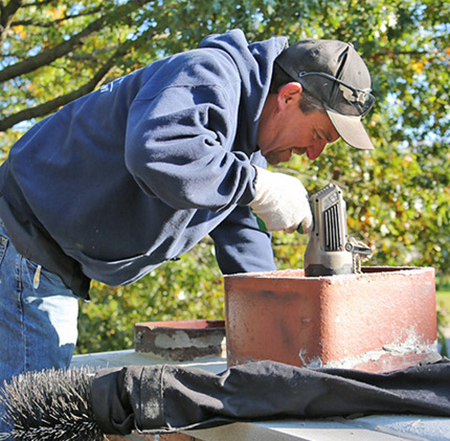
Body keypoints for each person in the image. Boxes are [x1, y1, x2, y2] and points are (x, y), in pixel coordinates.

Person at [0, 29, 374, 396]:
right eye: (320, 136)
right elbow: (156, 152)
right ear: (290, 97)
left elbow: (243, 236)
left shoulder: (245, 144)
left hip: (41, 257)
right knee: (30, 419)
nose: (313, 154)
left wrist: (275, 329)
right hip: (24, 239)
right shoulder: (206, 75)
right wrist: (256, 185)